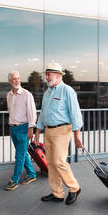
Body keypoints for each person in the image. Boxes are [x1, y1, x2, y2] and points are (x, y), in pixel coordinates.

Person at [34, 62, 83, 205]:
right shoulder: (47, 92)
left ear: (58, 75)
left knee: (59, 161)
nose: (46, 77)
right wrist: (38, 131)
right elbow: (43, 113)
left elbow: (75, 115)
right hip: (48, 131)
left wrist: (77, 136)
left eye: (49, 74)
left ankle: (74, 188)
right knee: (50, 163)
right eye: (46, 74)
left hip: (62, 130)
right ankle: (57, 193)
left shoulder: (67, 91)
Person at [4, 70, 37, 191]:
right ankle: (32, 174)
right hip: (13, 128)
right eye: (14, 79)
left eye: (18, 78)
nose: (17, 80)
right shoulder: (9, 95)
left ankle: (15, 180)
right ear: (9, 81)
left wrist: (31, 128)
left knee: (19, 155)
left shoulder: (27, 94)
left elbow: (32, 112)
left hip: (24, 128)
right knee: (22, 154)